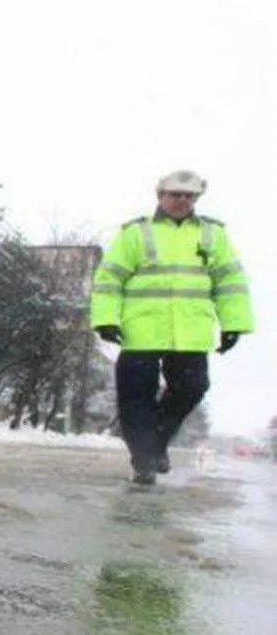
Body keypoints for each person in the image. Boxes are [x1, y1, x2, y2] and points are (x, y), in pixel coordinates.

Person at [90, 170, 253, 485]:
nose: (182, 200)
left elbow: (230, 282)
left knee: (193, 388)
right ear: (160, 196)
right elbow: (110, 278)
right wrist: (106, 319)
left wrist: (233, 325)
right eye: (175, 194)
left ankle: (155, 446)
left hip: (190, 331)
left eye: (189, 196)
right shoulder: (136, 233)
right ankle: (144, 459)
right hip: (140, 329)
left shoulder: (213, 235)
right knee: (135, 397)